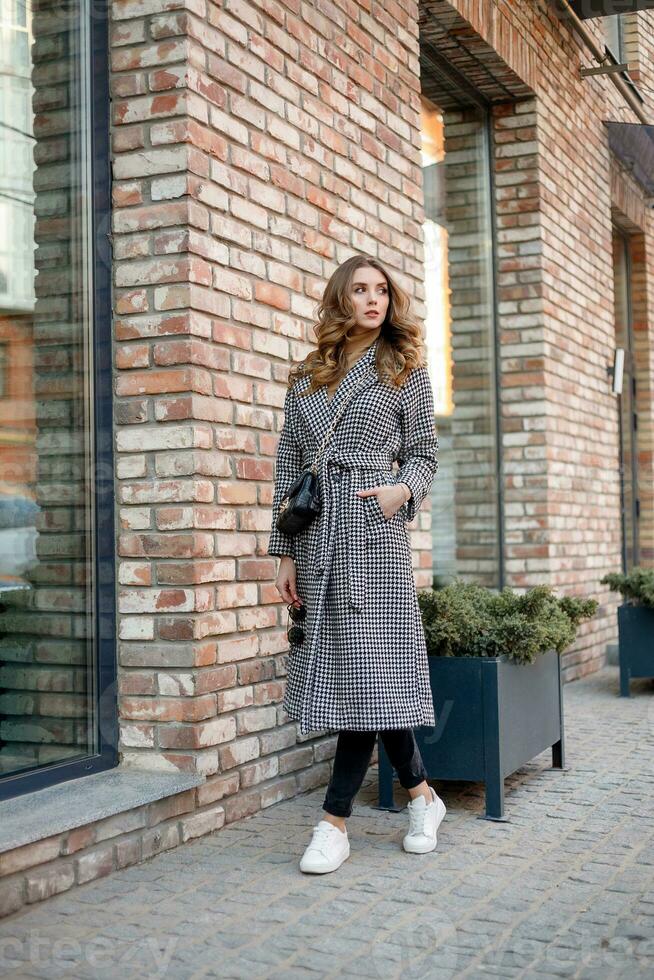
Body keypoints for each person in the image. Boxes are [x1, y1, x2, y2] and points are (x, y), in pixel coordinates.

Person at [267, 254, 446, 874]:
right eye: (361, 290)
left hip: (375, 533)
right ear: (341, 299)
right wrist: (284, 551)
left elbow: (425, 454)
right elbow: (290, 468)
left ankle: (333, 821)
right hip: (320, 539)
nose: (374, 299)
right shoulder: (308, 376)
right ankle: (424, 796)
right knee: (363, 682)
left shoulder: (405, 369)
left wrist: (402, 491)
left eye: (382, 290)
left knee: (367, 677)